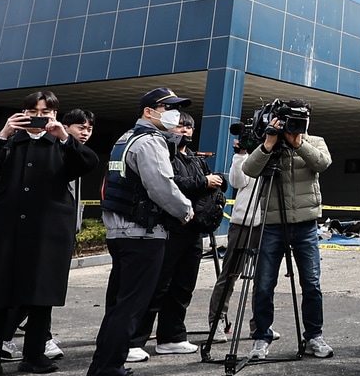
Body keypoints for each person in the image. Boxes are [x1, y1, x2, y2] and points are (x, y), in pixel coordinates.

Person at [0, 91, 99, 376]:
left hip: (48, 229)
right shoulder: (9, 141)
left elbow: (88, 163)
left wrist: (64, 137)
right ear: (22, 113)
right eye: (32, 111)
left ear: (55, 115)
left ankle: (34, 355)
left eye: (45, 112)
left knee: (41, 293)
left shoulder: (62, 144)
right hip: (4, 227)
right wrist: (2, 134)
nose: (39, 117)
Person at [83, 88, 193, 376]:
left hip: (121, 232)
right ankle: (109, 373)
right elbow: (161, 185)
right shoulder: (150, 142)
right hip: (142, 233)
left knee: (119, 304)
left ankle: (100, 367)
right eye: (168, 108)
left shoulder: (126, 138)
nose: (174, 115)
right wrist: (186, 211)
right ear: (149, 111)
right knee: (132, 306)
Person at [243, 99, 334, 360]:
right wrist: (268, 144)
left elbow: (323, 163)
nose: (297, 125)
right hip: (272, 225)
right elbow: (249, 170)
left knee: (312, 284)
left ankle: (314, 336)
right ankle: (262, 337)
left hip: (306, 224)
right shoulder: (270, 143)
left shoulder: (314, 141)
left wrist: (298, 143)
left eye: (302, 120)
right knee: (264, 284)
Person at [142, 113, 225, 355]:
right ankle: (135, 340)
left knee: (183, 286)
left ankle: (172, 337)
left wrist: (215, 183)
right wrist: (203, 182)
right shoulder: (163, 154)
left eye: (189, 127)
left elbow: (211, 185)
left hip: (194, 230)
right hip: (168, 229)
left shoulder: (196, 159)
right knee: (158, 286)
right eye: (180, 126)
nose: (185, 131)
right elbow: (168, 184)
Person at [206, 136, 257, 340]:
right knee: (230, 274)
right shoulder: (252, 155)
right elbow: (237, 181)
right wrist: (240, 154)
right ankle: (216, 321)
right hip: (242, 221)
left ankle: (260, 324)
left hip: (269, 222)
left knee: (264, 277)